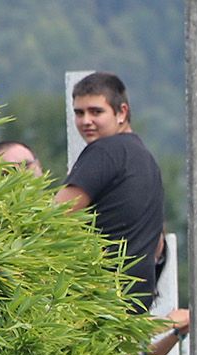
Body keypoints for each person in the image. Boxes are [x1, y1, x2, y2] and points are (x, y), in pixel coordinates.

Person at [54, 72, 167, 312]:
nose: (86, 121)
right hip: (133, 304)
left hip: (96, 298)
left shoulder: (105, 151)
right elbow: (158, 243)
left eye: (96, 112)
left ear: (122, 112)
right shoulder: (147, 160)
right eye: (79, 112)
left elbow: (54, 216)